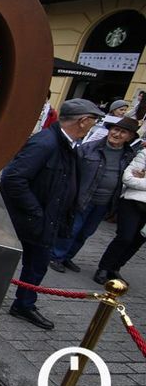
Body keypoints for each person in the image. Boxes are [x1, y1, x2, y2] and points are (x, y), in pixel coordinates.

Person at [0, 98, 102, 330]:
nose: (93, 125)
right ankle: (18, 303)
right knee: (21, 262)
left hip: (48, 219)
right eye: (93, 121)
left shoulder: (68, 144)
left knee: (37, 265)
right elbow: (13, 179)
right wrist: (36, 212)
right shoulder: (46, 143)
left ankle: (24, 304)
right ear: (83, 121)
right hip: (33, 220)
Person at [49, 117, 138, 275]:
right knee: (72, 229)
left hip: (104, 203)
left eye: (123, 132)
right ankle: (56, 256)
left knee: (86, 233)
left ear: (130, 137)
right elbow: (71, 171)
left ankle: (68, 257)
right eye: (115, 130)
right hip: (83, 198)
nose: (116, 134)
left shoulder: (129, 156)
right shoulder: (90, 148)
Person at [93, 148, 146, 284]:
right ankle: (103, 268)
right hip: (133, 202)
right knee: (125, 237)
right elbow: (128, 178)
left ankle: (115, 268)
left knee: (138, 240)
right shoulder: (144, 154)